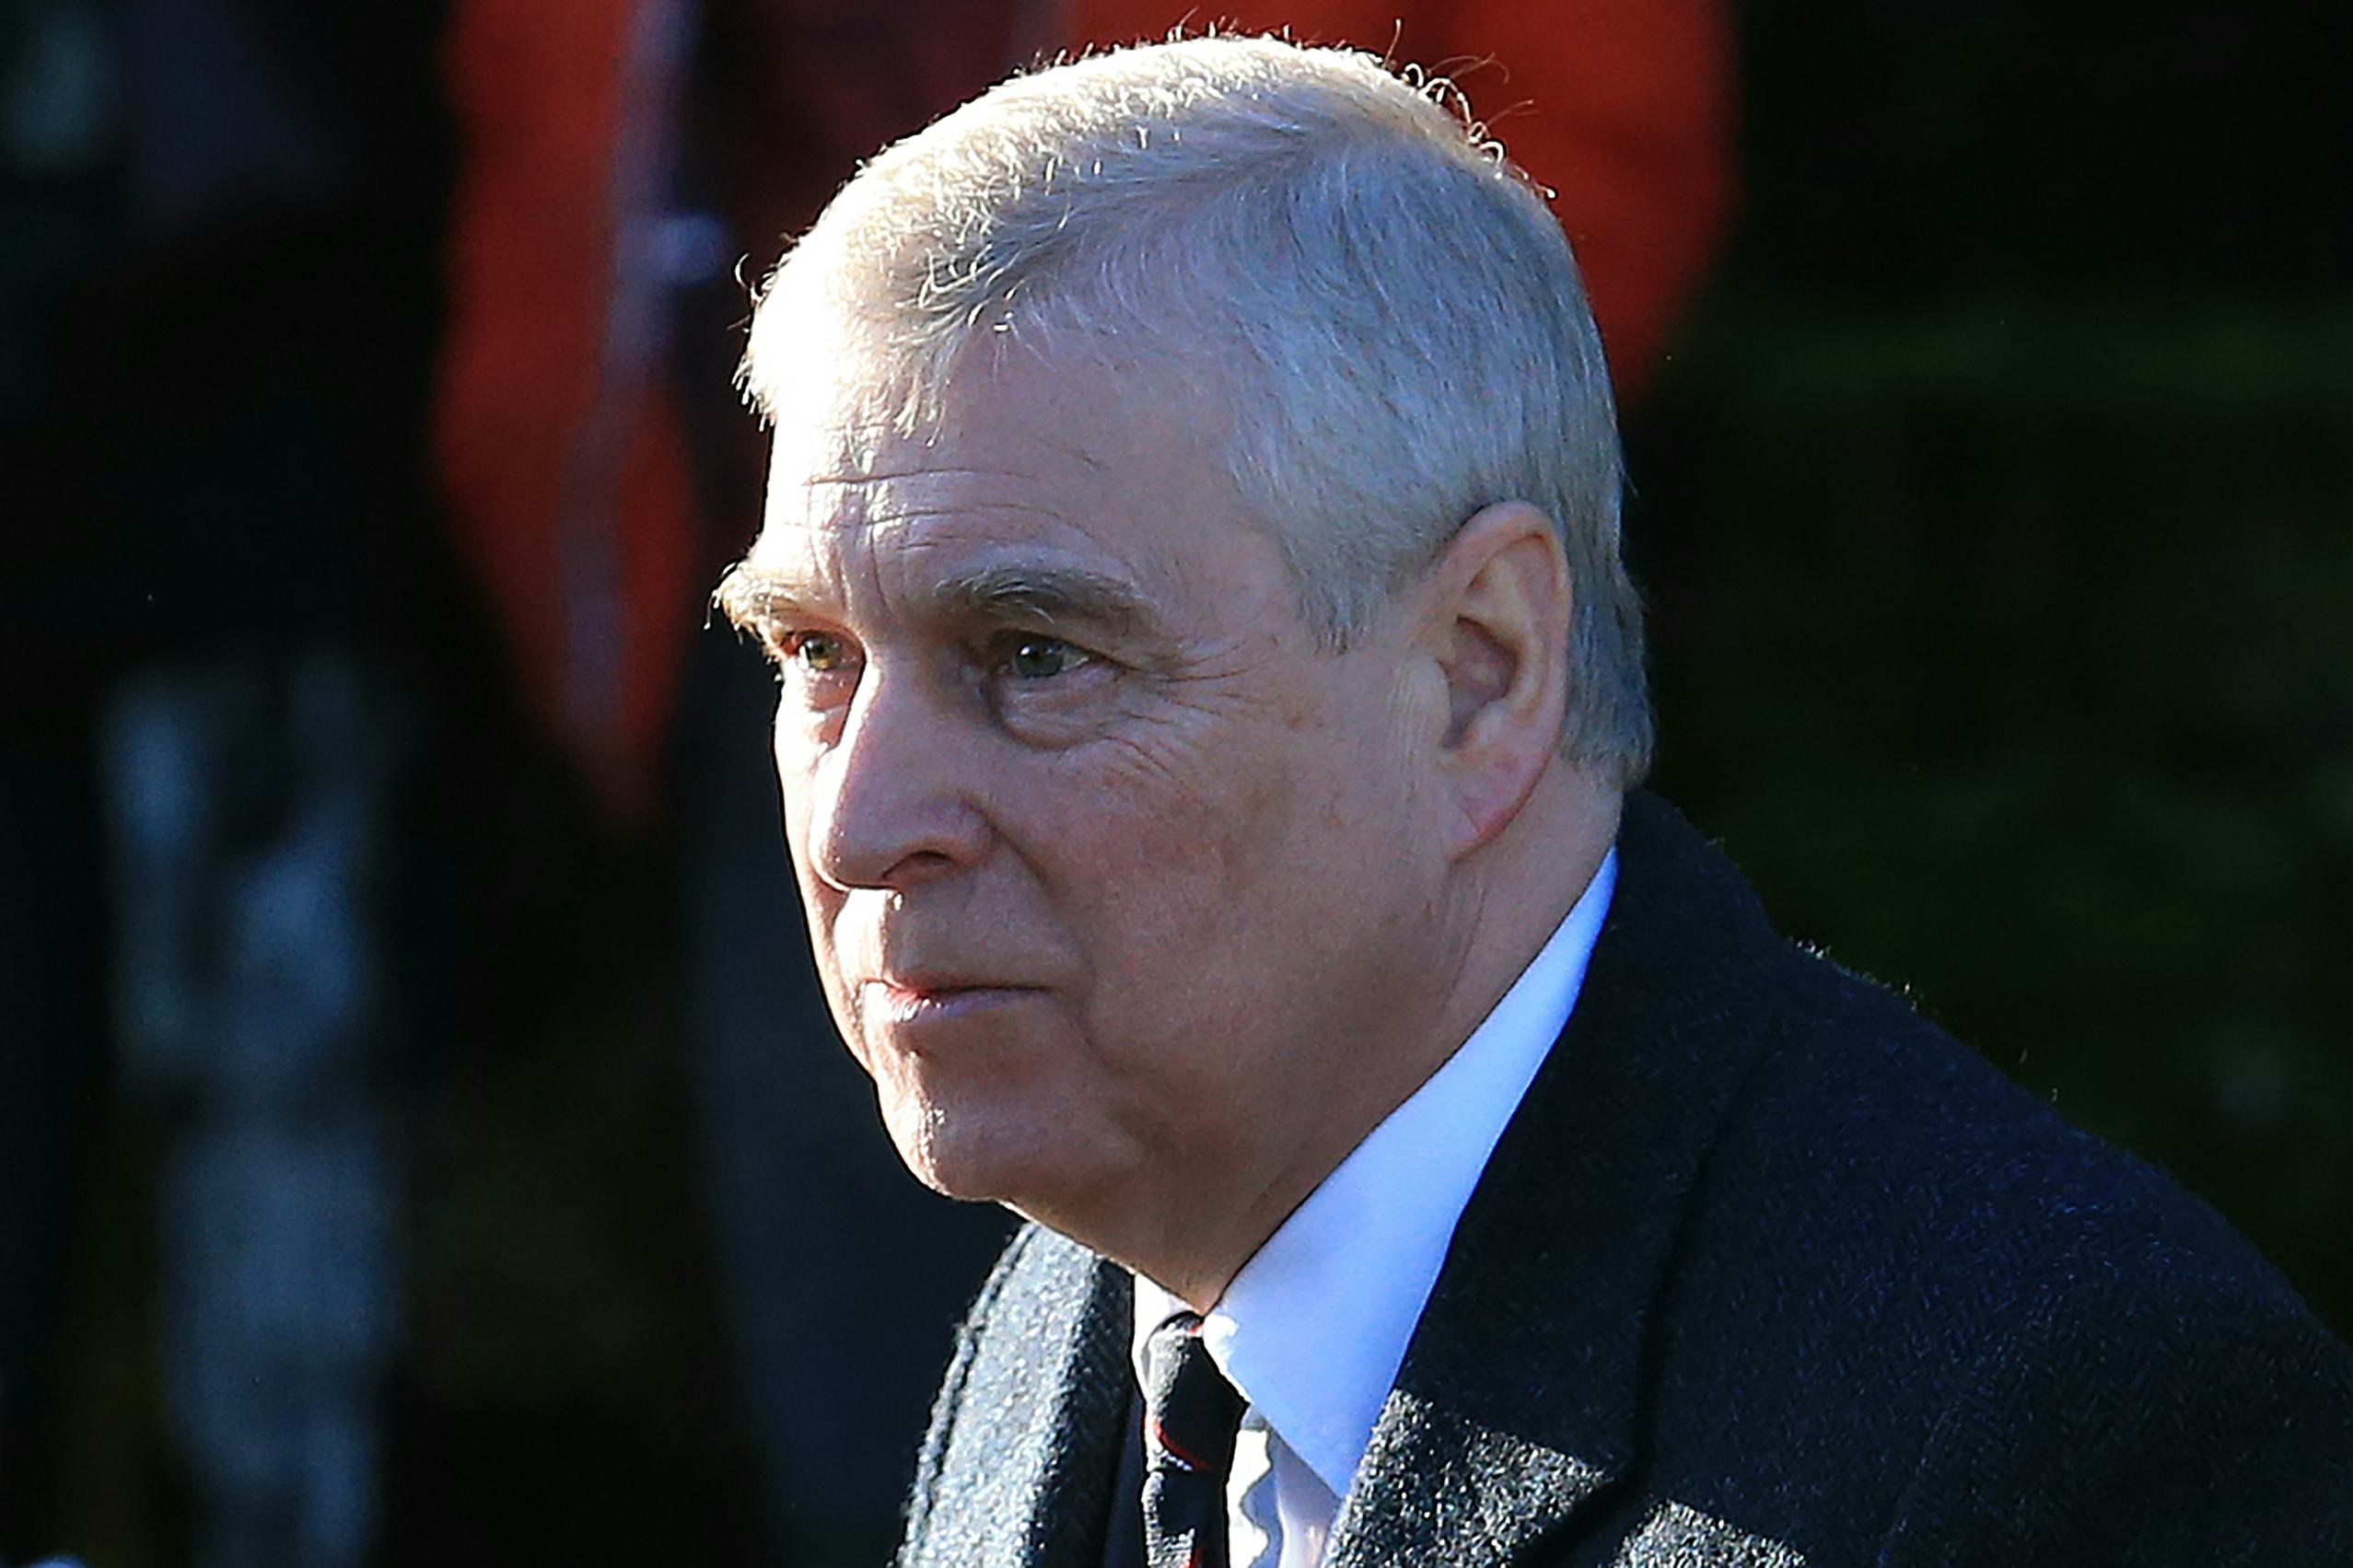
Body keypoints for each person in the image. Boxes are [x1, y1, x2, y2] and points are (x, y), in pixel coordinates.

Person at [715, 34, 2353, 1568]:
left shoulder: (2056, 1429)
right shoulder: (1077, 1312)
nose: (862, 829)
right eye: (816, 653)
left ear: (1482, 673)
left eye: (1034, 654)